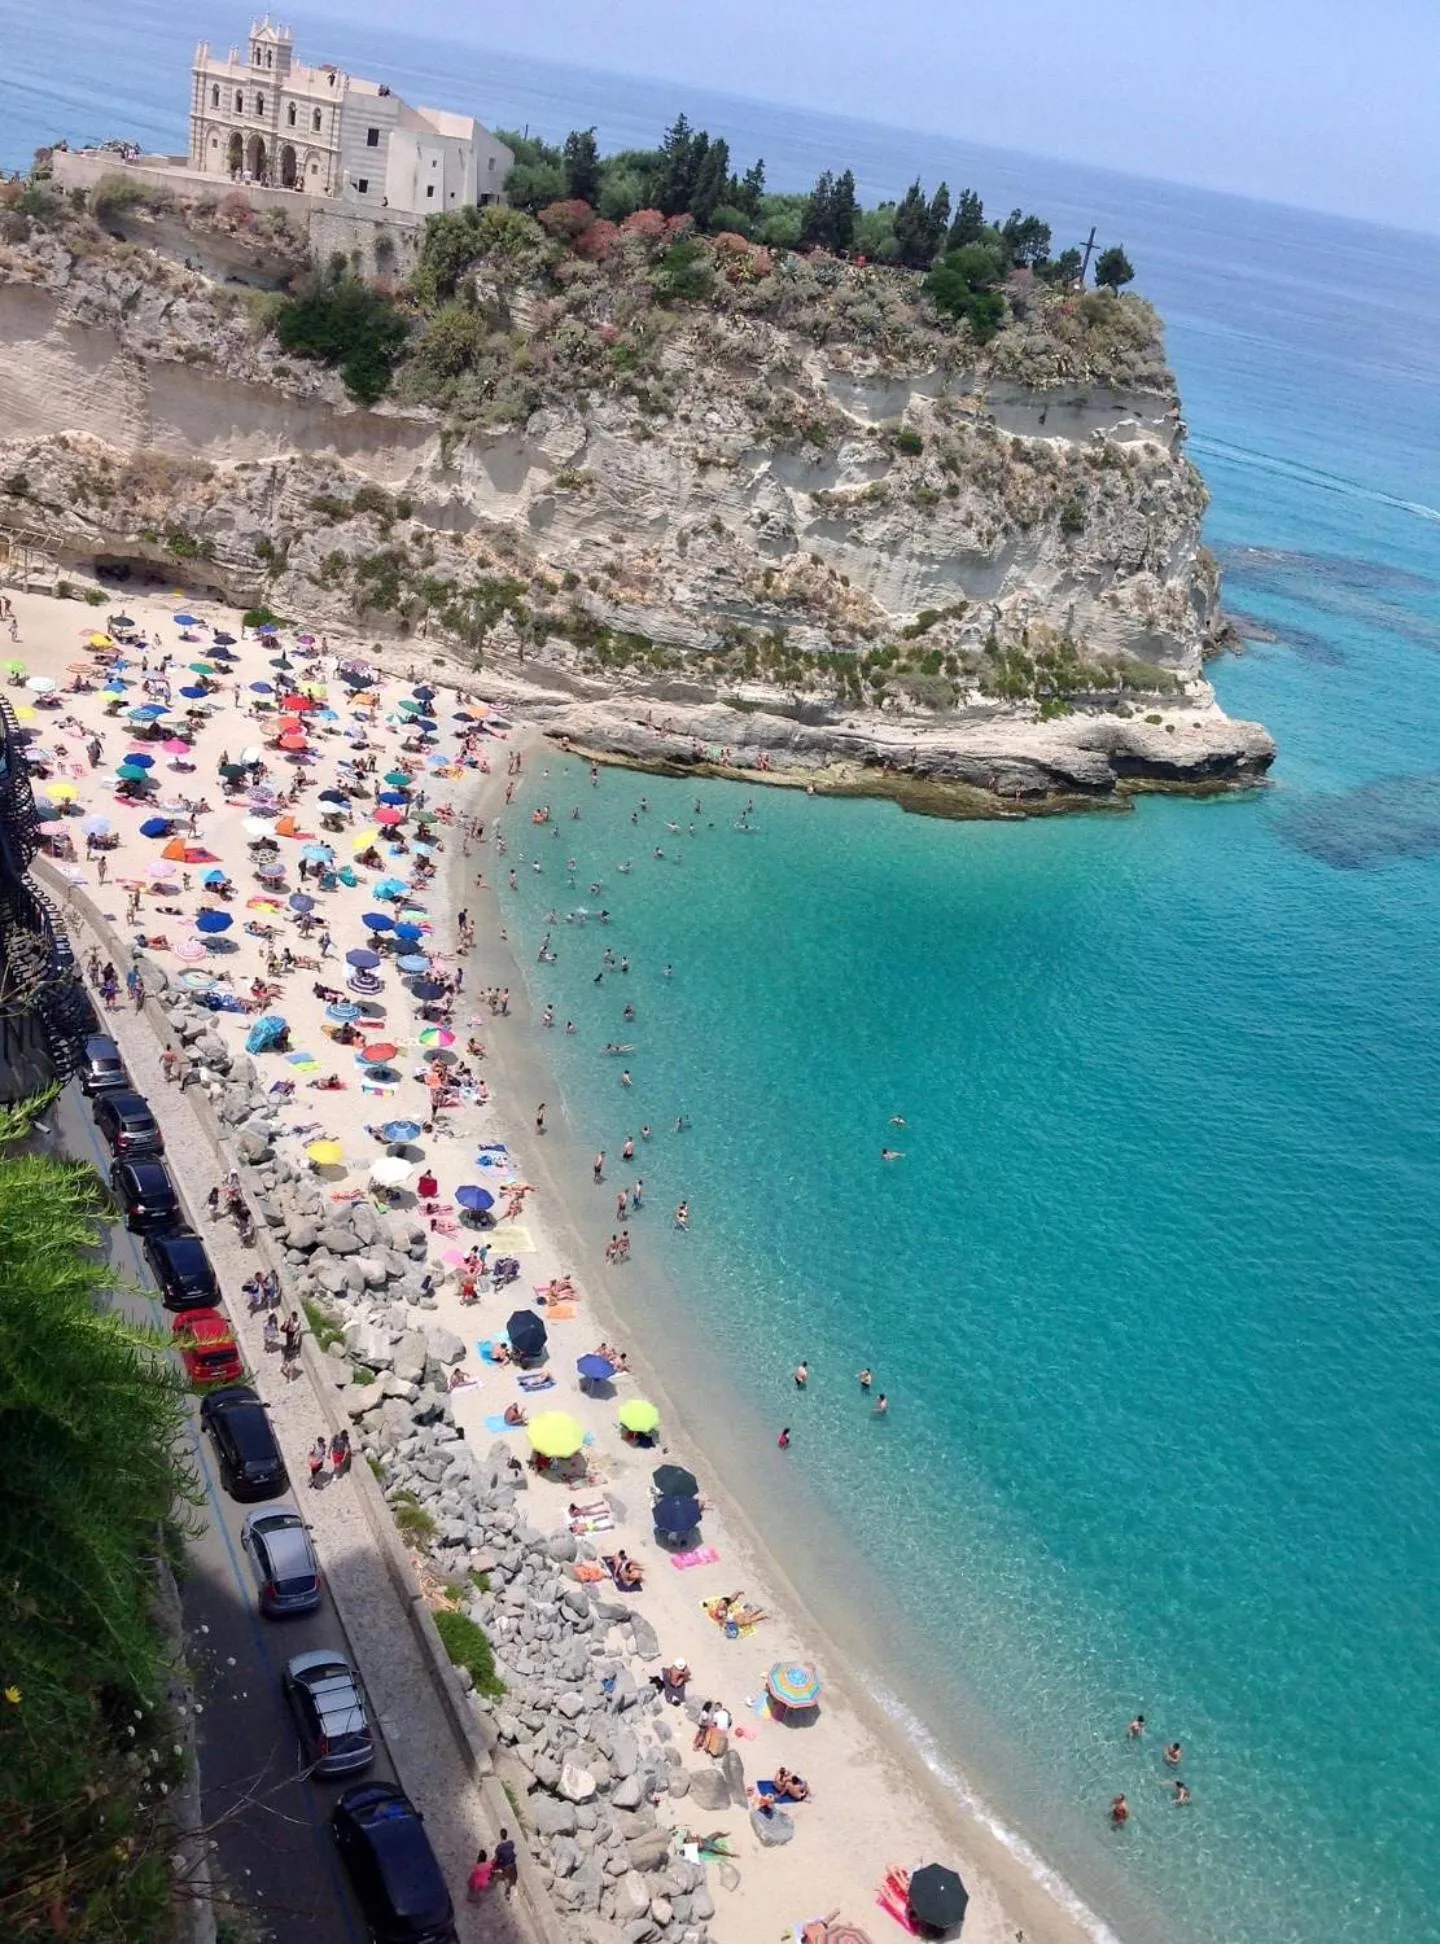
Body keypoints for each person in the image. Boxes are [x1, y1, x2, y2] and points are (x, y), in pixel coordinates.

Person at [493, 1828, 517, 1899]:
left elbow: (496, 1858)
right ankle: (511, 1886)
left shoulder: (499, 1848)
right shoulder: (511, 1843)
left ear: (500, 1836)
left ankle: (507, 1892)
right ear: (507, 1835)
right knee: (511, 1877)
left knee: (506, 1878)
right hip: (513, 1864)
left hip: (506, 1866)